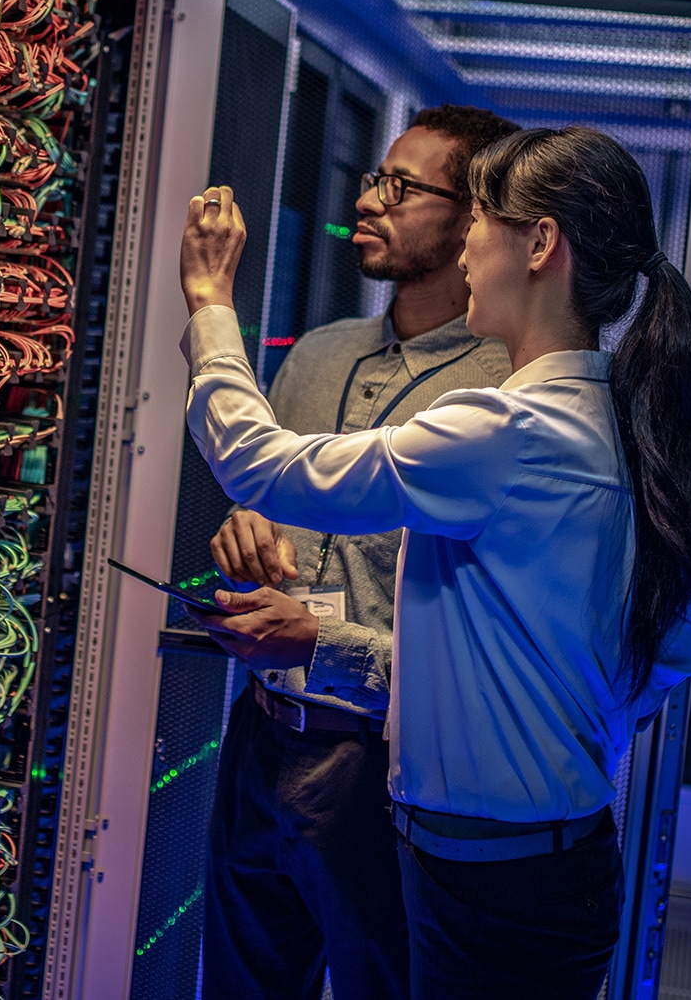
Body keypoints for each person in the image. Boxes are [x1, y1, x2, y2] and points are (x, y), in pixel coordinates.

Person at [178, 127, 691, 998]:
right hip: (534, 867)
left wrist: (209, 301)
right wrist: (609, 693)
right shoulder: (613, 423)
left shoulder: (502, 430)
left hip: (494, 880)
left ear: (540, 243)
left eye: (481, 219)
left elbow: (257, 462)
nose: (468, 247)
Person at [199, 105, 520, 1000]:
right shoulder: (315, 353)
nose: (368, 198)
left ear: (473, 219)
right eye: (376, 177)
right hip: (260, 741)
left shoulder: (499, 394)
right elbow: (257, 508)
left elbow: (483, 655)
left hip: (382, 777)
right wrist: (242, 532)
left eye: (402, 186)